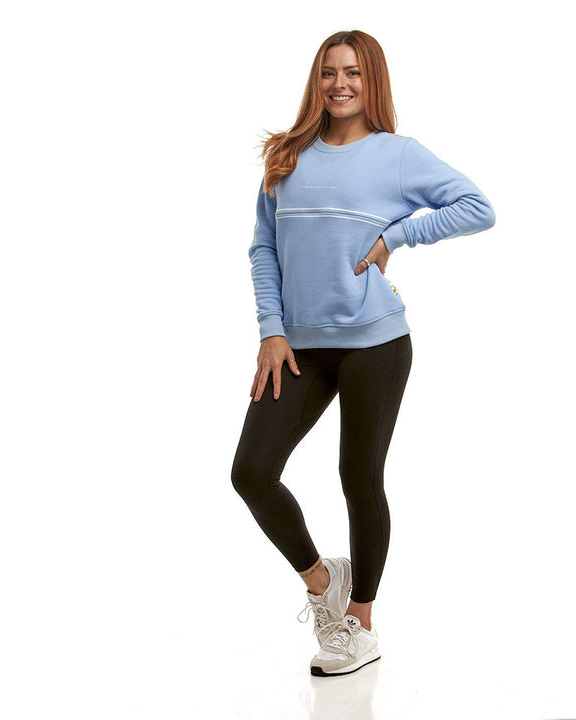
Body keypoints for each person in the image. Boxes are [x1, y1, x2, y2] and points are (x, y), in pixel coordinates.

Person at [231, 29, 495, 677]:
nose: (339, 84)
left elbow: (477, 207)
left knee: (359, 476)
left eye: (352, 72)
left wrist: (397, 237)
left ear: (371, 80)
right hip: (297, 345)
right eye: (328, 72)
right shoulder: (287, 156)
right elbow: (263, 247)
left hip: (375, 342)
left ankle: (362, 625)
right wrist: (271, 328)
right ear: (315, 81)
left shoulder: (396, 155)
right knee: (252, 473)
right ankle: (323, 582)